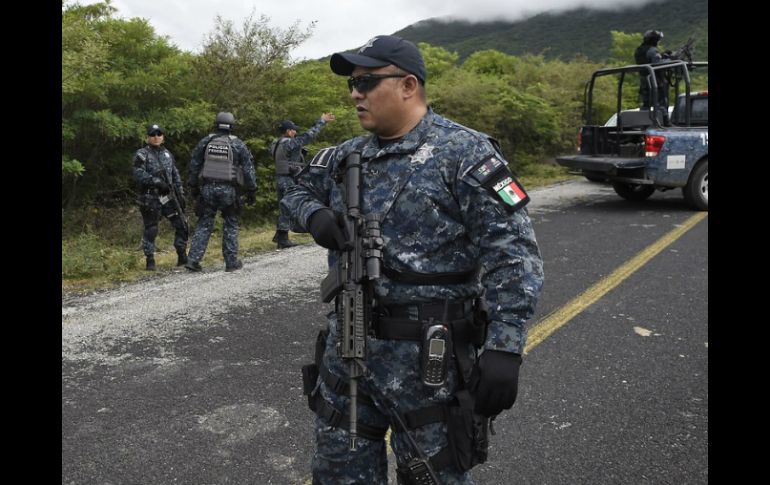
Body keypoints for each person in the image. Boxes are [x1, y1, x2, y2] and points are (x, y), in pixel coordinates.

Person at [282, 35, 544, 484]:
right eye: (352, 84)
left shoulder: (466, 154)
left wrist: (505, 346)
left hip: (429, 365)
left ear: (407, 85)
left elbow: (513, 255)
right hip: (350, 351)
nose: (354, 93)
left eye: (366, 82)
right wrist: (316, 215)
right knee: (338, 473)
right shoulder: (348, 155)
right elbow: (293, 189)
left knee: (433, 476)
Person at [185, 112, 257, 272]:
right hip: (229, 191)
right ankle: (231, 262)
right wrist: (252, 190)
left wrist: (194, 187)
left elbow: (194, 165)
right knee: (230, 224)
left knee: (204, 224)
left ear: (216, 124)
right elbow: (248, 170)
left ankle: (193, 260)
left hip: (208, 189)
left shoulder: (206, 141)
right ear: (232, 126)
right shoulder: (238, 144)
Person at [269, 114, 335, 249]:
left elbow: (282, 159)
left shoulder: (275, 143)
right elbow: (308, 136)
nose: (295, 132)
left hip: (280, 178)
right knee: (291, 206)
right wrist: (321, 122)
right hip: (288, 179)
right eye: (293, 130)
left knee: (284, 207)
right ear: (288, 131)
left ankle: (280, 235)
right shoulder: (289, 142)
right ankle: (282, 238)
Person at [133, 123, 189, 271]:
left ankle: (182, 255)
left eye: (159, 134)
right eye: (153, 134)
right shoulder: (142, 154)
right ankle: (150, 259)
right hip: (151, 197)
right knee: (151, 229)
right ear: (147, 137)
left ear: (163, 137)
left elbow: (175, 174)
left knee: (182, 224)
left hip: (169, 197)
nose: (156, 137)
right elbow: (138, 173)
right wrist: (156, 181)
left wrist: (180, 193)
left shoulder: (167, 154)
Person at [634, 29, 671, 125]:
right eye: (658, 40)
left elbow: (648, 60)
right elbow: (657, 64)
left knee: (645, 104)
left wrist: (661, 56)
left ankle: (643, 124)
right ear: (654, 41)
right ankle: (664, 123)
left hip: (644, 80)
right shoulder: (652, 50)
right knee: (661, 103)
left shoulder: (639, 50)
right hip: (655, 81)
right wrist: (669, 60)